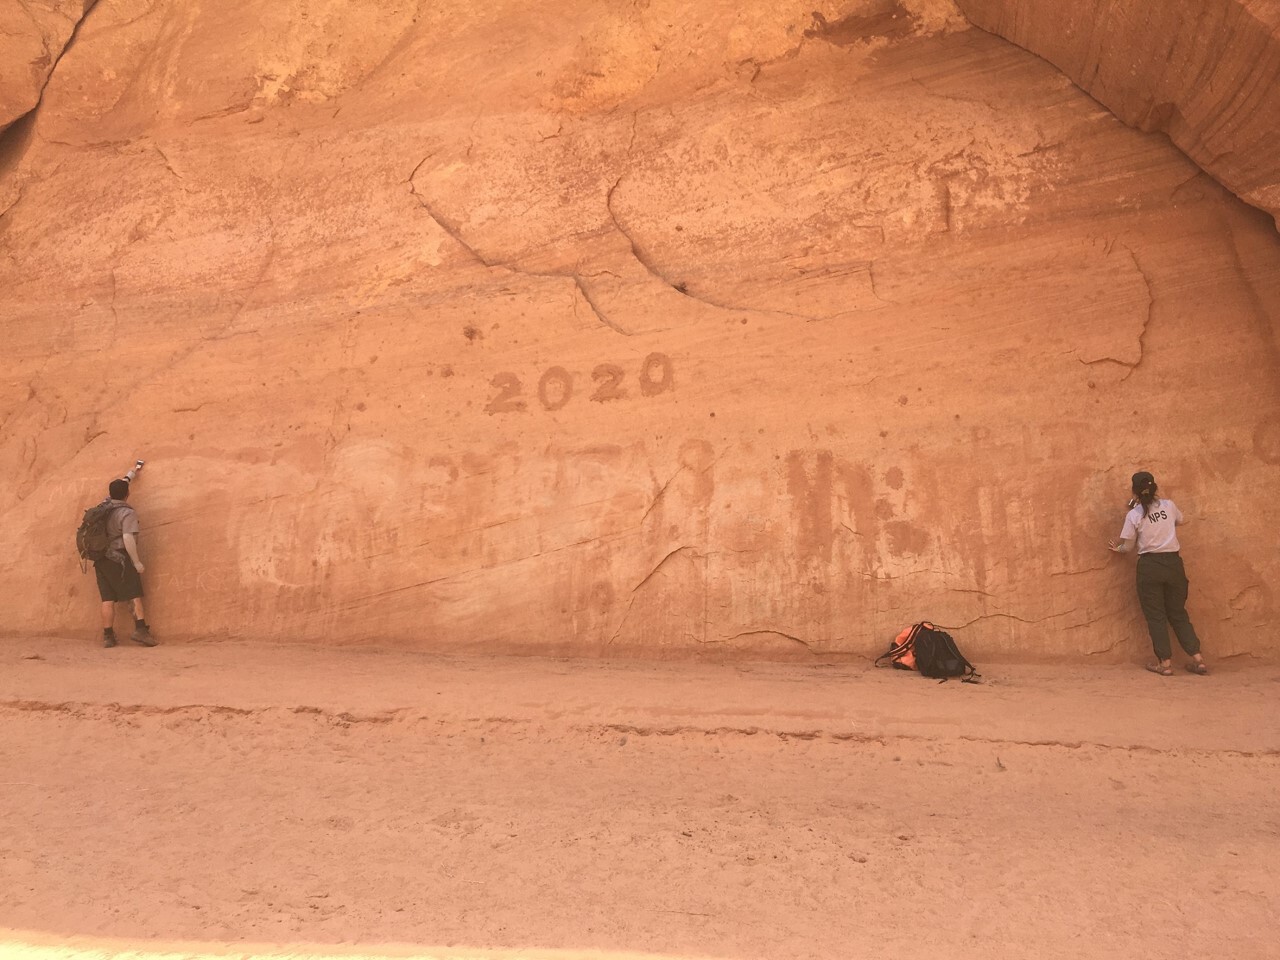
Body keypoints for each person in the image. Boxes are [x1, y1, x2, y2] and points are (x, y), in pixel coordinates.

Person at [1107, 471, 1206, 676]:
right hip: (1173, 564)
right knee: (1178, 613)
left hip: (1150, 567)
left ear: (1134, 491)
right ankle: (1198, 659)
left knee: (1156, 615)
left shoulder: (1134, 515)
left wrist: (1117, 549)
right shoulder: (1168, 506)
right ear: (1154, 488)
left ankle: (1165, 663)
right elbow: (1179, 520)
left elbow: (1128, 547)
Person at [93, 459, 156, 648]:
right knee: (133, 593)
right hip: (119, 557)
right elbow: (128, 538)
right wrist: (136, 562)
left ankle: (108, 636)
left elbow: (122, 483)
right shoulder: (126, 513)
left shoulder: (104, 505)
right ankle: (140, 630)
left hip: (101, 558)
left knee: (107, 598)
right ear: (127, 494)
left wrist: (132, 472)